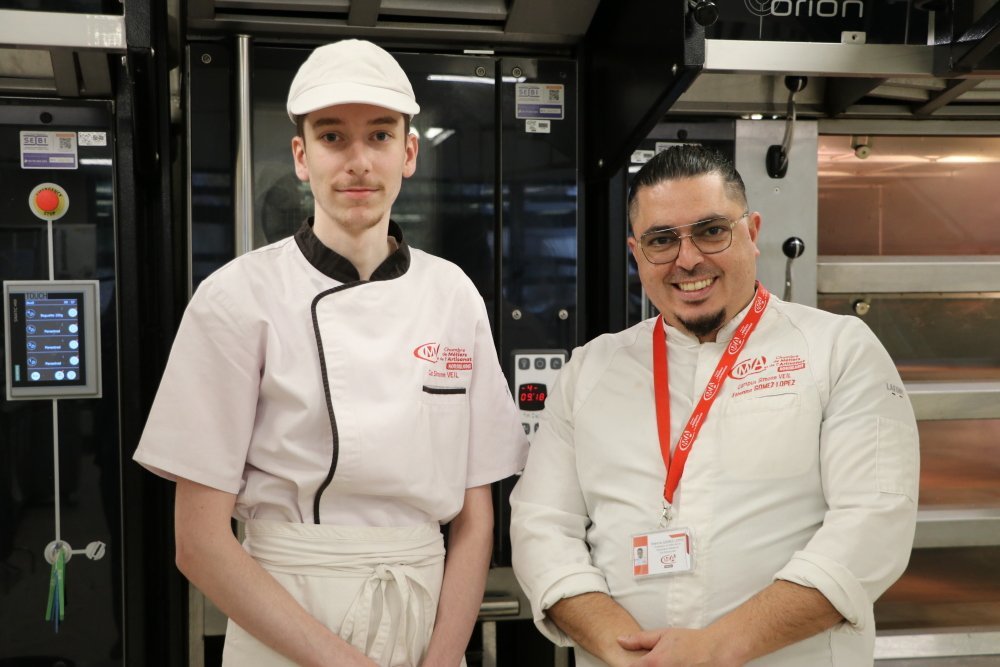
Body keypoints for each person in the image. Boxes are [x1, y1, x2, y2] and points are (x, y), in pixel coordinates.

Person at [134, 39, 528, 667]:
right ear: (301, 156)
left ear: (409, 153)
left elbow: (477, 519)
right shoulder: (236, 299)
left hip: (426, 618)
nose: (358, 162)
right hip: (286, 618)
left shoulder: (453, 294)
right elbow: (199, 542)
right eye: (332, 137)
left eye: (378, 136)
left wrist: (446, 655)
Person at [509, 145, 919, 666]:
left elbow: (873, 526)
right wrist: (626, 651)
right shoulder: (591, 370)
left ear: (751, 231)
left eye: (710, 231)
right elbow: (541, 525)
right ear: (637, 254)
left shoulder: (838, 350)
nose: (688, 259)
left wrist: (713, 650)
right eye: (662, 240)